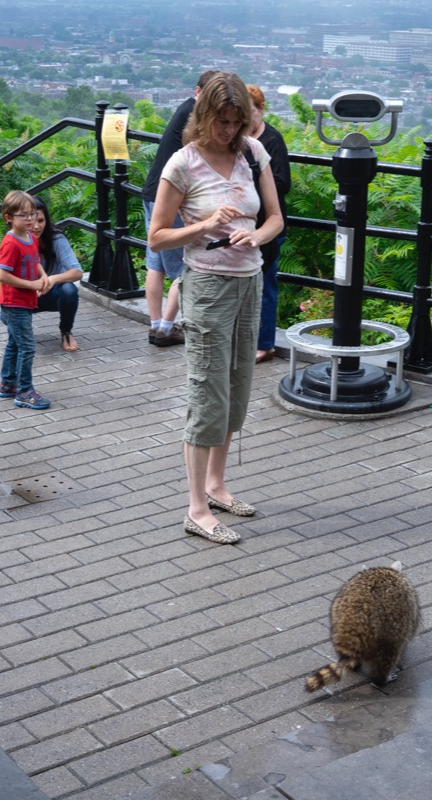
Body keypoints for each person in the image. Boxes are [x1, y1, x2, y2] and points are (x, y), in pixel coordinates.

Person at [148, 72, 283, 544]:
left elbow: (275, 220)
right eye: (221, 122)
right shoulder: (181, 165)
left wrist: (255, 234)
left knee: (238, 386)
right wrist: (205, 224)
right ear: (203, 117)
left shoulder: (253, 152)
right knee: (208, 393)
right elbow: (158, 236)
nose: (229, 131)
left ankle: (217, 485)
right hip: (205, 284)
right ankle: (196, 508)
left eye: (236, 122)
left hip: (250, 280)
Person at [142, 70, 217, 347]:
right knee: (182, 265)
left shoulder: (185, 107)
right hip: (170, 196)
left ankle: (155, 325)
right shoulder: (196, 116)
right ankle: (165, 328)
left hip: (152, 191)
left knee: (156, 263)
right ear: (200, 92)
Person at [246, 84, 291, 364]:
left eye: (247, 113)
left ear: (260, 110)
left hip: (268, 226)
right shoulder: (237, 138)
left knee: (266, 286)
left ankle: (264, 344)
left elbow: (282, 182)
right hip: (242, 226)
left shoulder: (272, 140)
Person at [0, 189, 52, 409]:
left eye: (32, 214)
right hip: (14, 302)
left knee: (14, 344)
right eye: (24, 215)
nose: (30, 219)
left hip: (25, 300)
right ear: (9, 218)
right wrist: (31, 285)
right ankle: (24, 391)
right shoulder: (10, 243)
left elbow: (35, 260)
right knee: (27, 347)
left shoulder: (30, 237)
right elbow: (2, 275)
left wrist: (43, 275)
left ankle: (8, 384)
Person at [30, 195, 84, 351]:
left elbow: (77, 272)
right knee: (6, 317)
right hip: (26, 294)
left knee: (69, 290)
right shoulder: (15, 241)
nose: (36, 226)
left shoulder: (55, 238)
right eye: (32, 221)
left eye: (40, 221)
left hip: (52, 294)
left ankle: (66, 331)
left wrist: (52, 279)